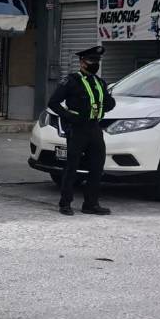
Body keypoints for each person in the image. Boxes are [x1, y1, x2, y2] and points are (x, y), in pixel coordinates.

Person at [48, 45, 116, 216]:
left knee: (97, 167)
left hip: (95, 128)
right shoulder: (71, 81)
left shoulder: (99, 82)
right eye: (92, 60)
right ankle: (65, 203)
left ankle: (91, 204)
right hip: (77, 129)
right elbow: (53, 103)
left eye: (97, 60)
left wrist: (108, 103)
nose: (95, 64)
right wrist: (70, 117)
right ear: (82, 62)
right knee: (72, 167)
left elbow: (107, 103)